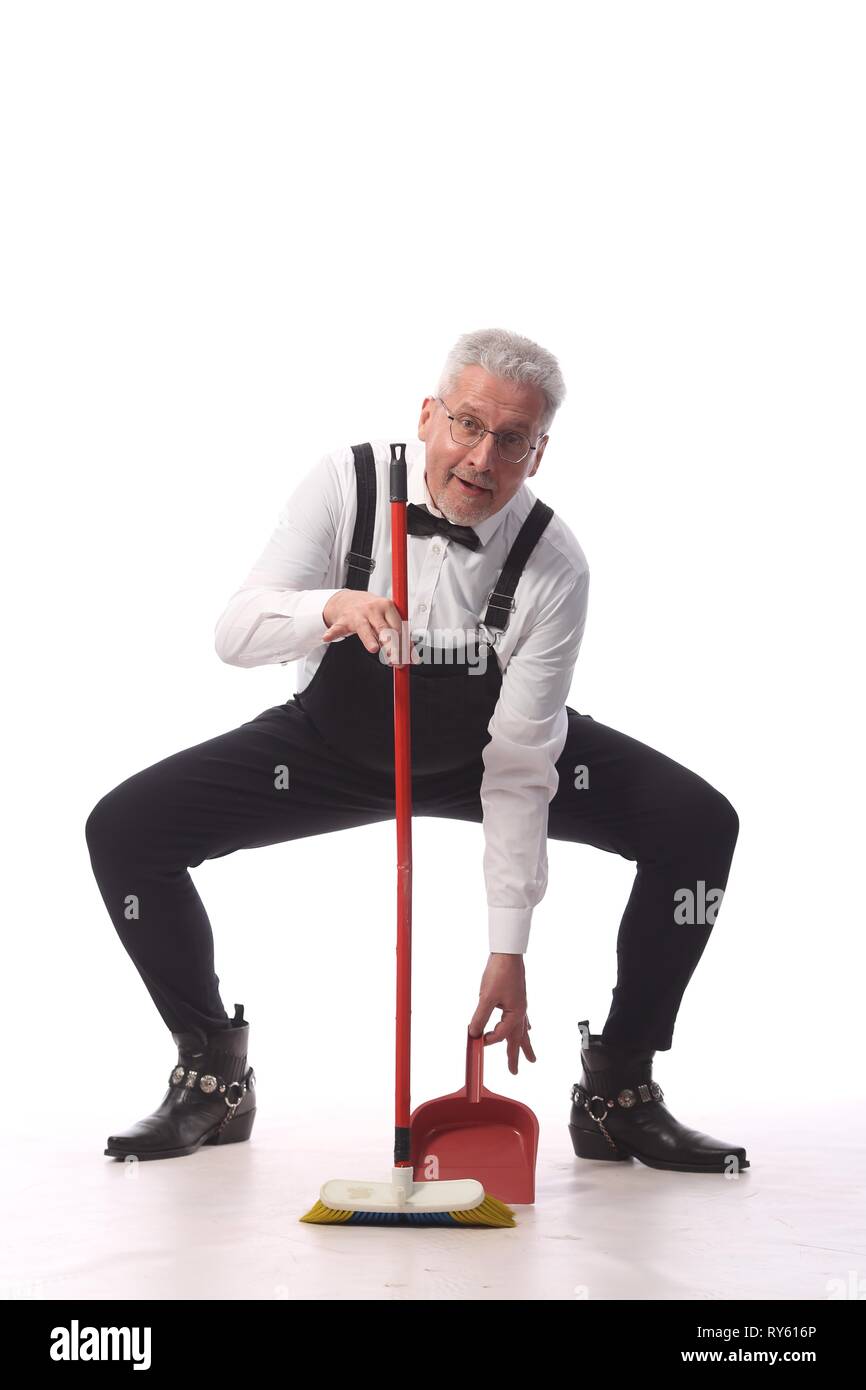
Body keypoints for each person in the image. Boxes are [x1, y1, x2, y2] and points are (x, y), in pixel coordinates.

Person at [86, 326, 748, 1172]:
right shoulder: (347, 482)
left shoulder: (555, 564)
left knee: (696, 824)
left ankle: (618, 1092)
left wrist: (507, 947)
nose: (481, 457)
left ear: (539, 453)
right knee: (127, 830)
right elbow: (236, 633)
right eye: (467, 424)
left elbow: (520, 763)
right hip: (326, 750)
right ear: (429, 415)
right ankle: (212, 1073)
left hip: (487, 755)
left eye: (512, 440)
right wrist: (332, 608)